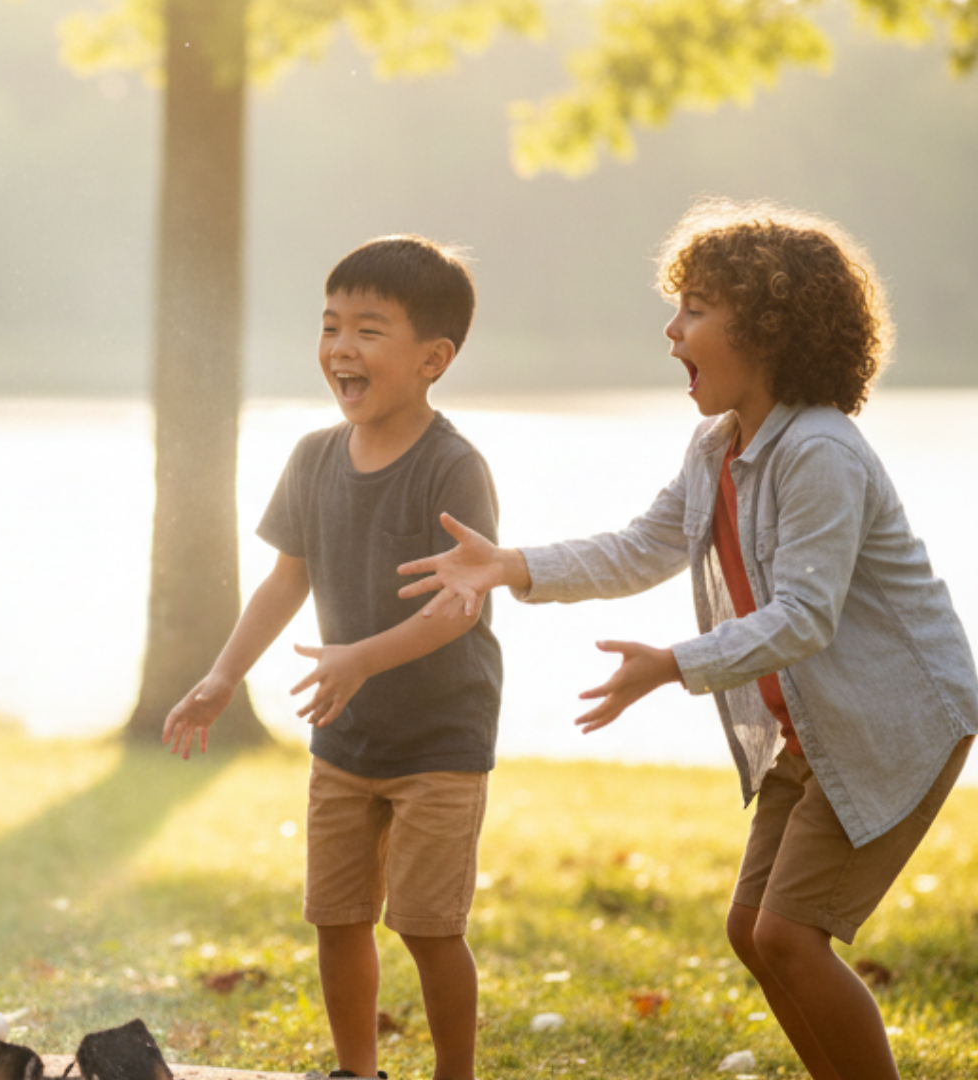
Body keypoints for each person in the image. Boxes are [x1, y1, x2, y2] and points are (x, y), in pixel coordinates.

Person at [399, 198, 977, 1080]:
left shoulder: (820, 451)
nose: (672, 332)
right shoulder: (716, 447)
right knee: (756, 932)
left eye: (696, 309)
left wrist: (674, 666)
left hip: (896, 721)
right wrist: (510, 565)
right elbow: (645, 546)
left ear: (771, 330)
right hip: (815, 729)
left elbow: (806, 616)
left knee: (789, 933)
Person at [164, 237, 502, 1080]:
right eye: (330, 326)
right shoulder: (313, 458)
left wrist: (360, 658)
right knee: (338, 915)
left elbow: (459, 611)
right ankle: (357, 1073)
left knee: (428, 926)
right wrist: (221, 676)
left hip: (440, 741)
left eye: (368, 330)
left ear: (433, 359)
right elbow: (287, 579)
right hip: (346, 739)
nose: (341, 349)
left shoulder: (453, 468)